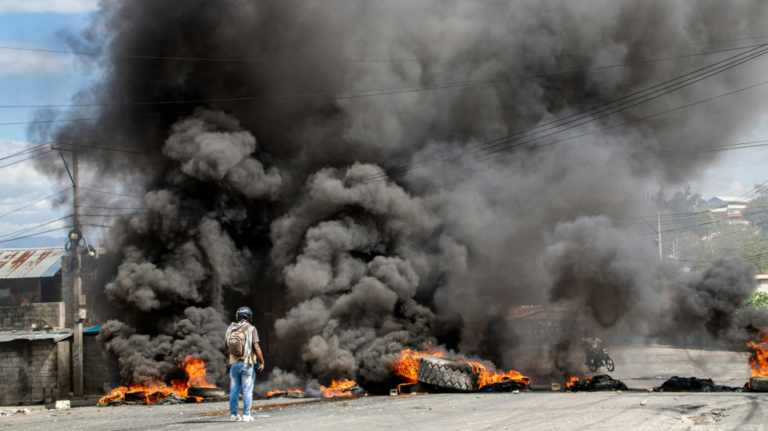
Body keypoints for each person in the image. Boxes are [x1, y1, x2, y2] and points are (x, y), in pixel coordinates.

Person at [225, 306, 265, 422]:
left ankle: (233, 415)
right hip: (247, 364)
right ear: (249, 316)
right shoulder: (251, 329)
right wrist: (261, 362)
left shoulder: (231, 328)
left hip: (234, 365)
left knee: (234, 390)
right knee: (247, 390)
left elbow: (226, 345)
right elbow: (256, 348)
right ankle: (246, 415)